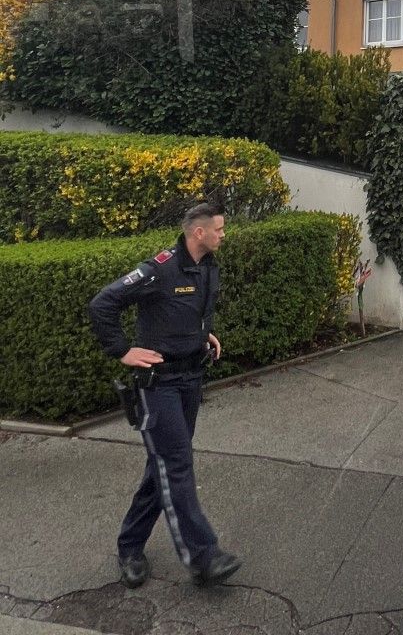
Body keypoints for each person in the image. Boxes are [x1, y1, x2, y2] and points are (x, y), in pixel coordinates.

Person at [89, 202, 241, 589]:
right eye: (219, 229)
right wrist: (123, 350)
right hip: (156, 385)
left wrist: (200, 333)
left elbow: (189, 311)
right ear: (199, 233)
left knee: (164, 466)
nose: (224, 234)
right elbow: (103, 303)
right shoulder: (158, 268)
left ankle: (129, 547)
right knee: (176, 463)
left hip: (190, 379)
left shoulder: (206, 266)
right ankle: (203, 556)